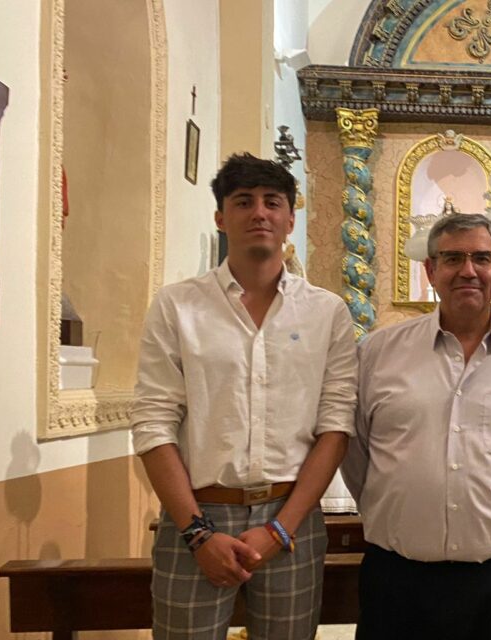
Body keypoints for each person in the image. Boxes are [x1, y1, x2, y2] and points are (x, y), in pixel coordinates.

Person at [131, 153, 357, 640]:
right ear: (220, 216)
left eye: (272, 202)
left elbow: (335, 427)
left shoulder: (326, 312)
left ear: (290, 218)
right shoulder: (178, 306)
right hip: (196, 516)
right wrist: (198, 534)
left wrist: (281, 529)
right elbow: (153, 422)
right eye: (243, 201)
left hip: (291, 517)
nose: (259, 213)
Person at [342, 213, 491, 640]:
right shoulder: (377, 353)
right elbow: (357, 457)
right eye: (452, 258)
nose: (468, 270)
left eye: (482, 258)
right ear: (430, 269)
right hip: (398, 581)